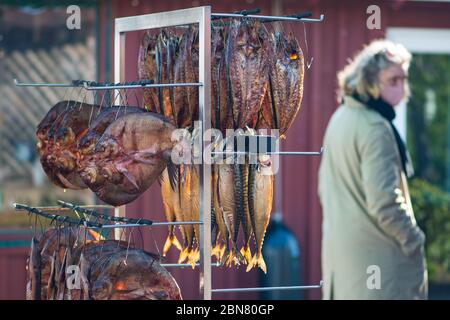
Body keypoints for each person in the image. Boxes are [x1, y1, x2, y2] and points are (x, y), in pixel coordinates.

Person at [318, 39, 428, 299]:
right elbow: (385, 202)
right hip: (382, 274)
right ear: (369, 80)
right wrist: (414, 240)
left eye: (404, 79)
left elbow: (324, 189)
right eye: (393, 80)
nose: (403, 88)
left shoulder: (341, 117)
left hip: (345, 267)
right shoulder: (375, 127)